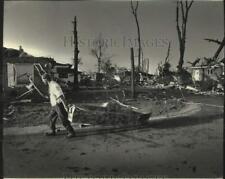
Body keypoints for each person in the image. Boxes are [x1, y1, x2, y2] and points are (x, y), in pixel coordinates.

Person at [41, 73, 76, 138]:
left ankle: (71, 132)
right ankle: (53, 131)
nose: (42, 81)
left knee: (63, 119)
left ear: (45, 79)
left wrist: (65, 106)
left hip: (59, 105)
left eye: (42, 79)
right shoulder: (50, 85)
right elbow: (54, 95)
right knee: (51, 118)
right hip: (54, 106)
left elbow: (60, 96)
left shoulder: (54, 85)